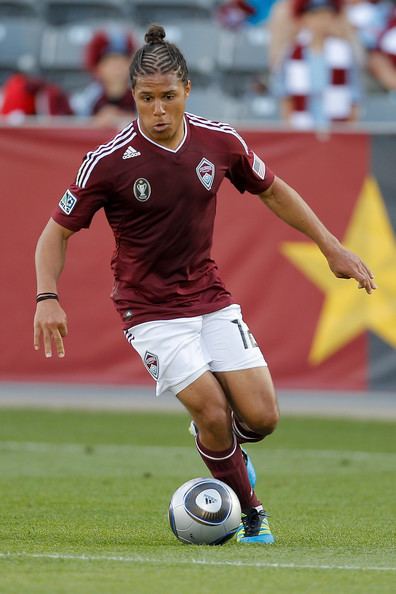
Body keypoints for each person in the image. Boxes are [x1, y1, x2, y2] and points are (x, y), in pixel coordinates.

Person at [33, 24, 376, 544]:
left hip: (208, 297)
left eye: (169, 97)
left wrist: (331, 246)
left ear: (186, 91)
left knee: (261, 417)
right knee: (214, 410)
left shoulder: (219, 141)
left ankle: (218, 446)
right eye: (147, 99)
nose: (159, 110)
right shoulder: (107, 163)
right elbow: (53, 235)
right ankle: (251, 514)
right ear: (134, 98)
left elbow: (275, 191)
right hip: (148, 310)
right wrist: (47, 297)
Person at [273, 0, 362, 128]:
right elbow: (285, 95)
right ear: (304, 19)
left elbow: (355, 95)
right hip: (302, 126)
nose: (321, 21)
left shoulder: (345, 52)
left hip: (336, 125)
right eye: (315, 16)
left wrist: (348, 130)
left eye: (326, 16)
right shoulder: (291, 52)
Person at [70, 29, 137, 128]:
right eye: (110, 62)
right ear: (98, 67)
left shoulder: (140, 96)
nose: (118, 67)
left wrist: (124, 119)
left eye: (123, 61)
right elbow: (74, 127)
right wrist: (95, 122)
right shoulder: (86, 100)